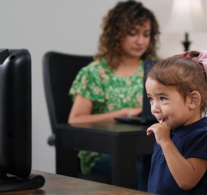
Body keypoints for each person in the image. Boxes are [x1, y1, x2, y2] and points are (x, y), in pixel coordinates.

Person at [68, 0, 160, 191]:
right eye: (132, 33)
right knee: (148, 167)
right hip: (103, 152)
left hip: (146, 147)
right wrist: (124, 113)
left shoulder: (156, 71)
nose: (141, 41)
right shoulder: (94, 73)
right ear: (116, 34)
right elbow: (76, 120)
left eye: (146, 34)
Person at [145, 51, 207, 194]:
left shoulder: (202, 137)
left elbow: (186, 181)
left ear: (192, 101)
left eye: (162, 98)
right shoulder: (170, 133)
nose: (154, 108)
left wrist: (166, 142)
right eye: (151, 99)